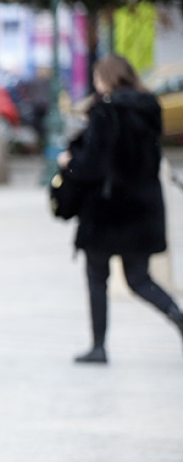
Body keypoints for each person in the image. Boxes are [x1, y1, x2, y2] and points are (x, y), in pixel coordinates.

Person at [57, 53, 183, 364]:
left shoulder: (105, 112)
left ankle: (98, 346)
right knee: (140, 279)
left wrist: (70, 164)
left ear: (108, 78)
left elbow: (93, 165)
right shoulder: (148, 108)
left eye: (98, 77)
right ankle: (180, 320)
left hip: (106, 212)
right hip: (142, 209)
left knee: (96, 276)